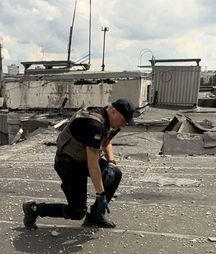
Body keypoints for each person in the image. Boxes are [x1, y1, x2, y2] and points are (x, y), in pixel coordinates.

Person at [22, 98, 134, 229]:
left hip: (82, 159)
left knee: (115, 173)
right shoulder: (94, 125)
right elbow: (93, 166)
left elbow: (107, 141)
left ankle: (95, 217)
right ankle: (33, 209)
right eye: (123, 120)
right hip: (68, 164)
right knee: (77, 211)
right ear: (114, 112)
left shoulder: (108, 119)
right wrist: (101, 194)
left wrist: (111, 163)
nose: (123, 125)